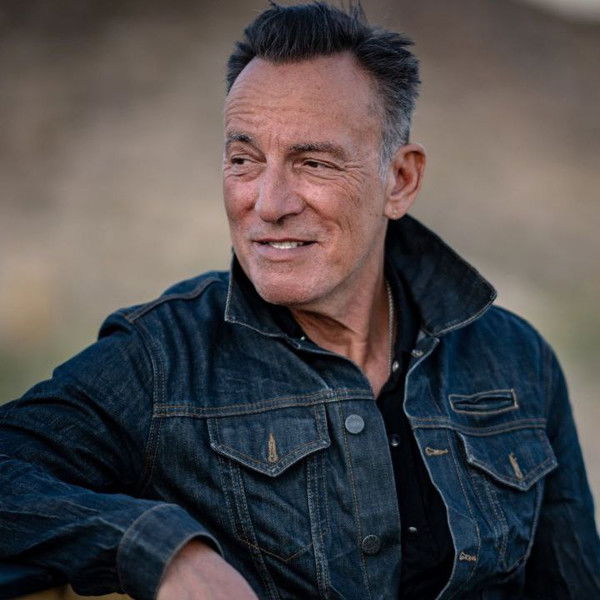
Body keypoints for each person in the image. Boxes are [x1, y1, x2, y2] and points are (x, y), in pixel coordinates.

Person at [1, 2, 599, 599]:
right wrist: (164, 551)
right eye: (244, 160)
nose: (268, 203)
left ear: (400, 180)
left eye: (313, 162)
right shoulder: (164, 358)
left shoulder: (517, 358)